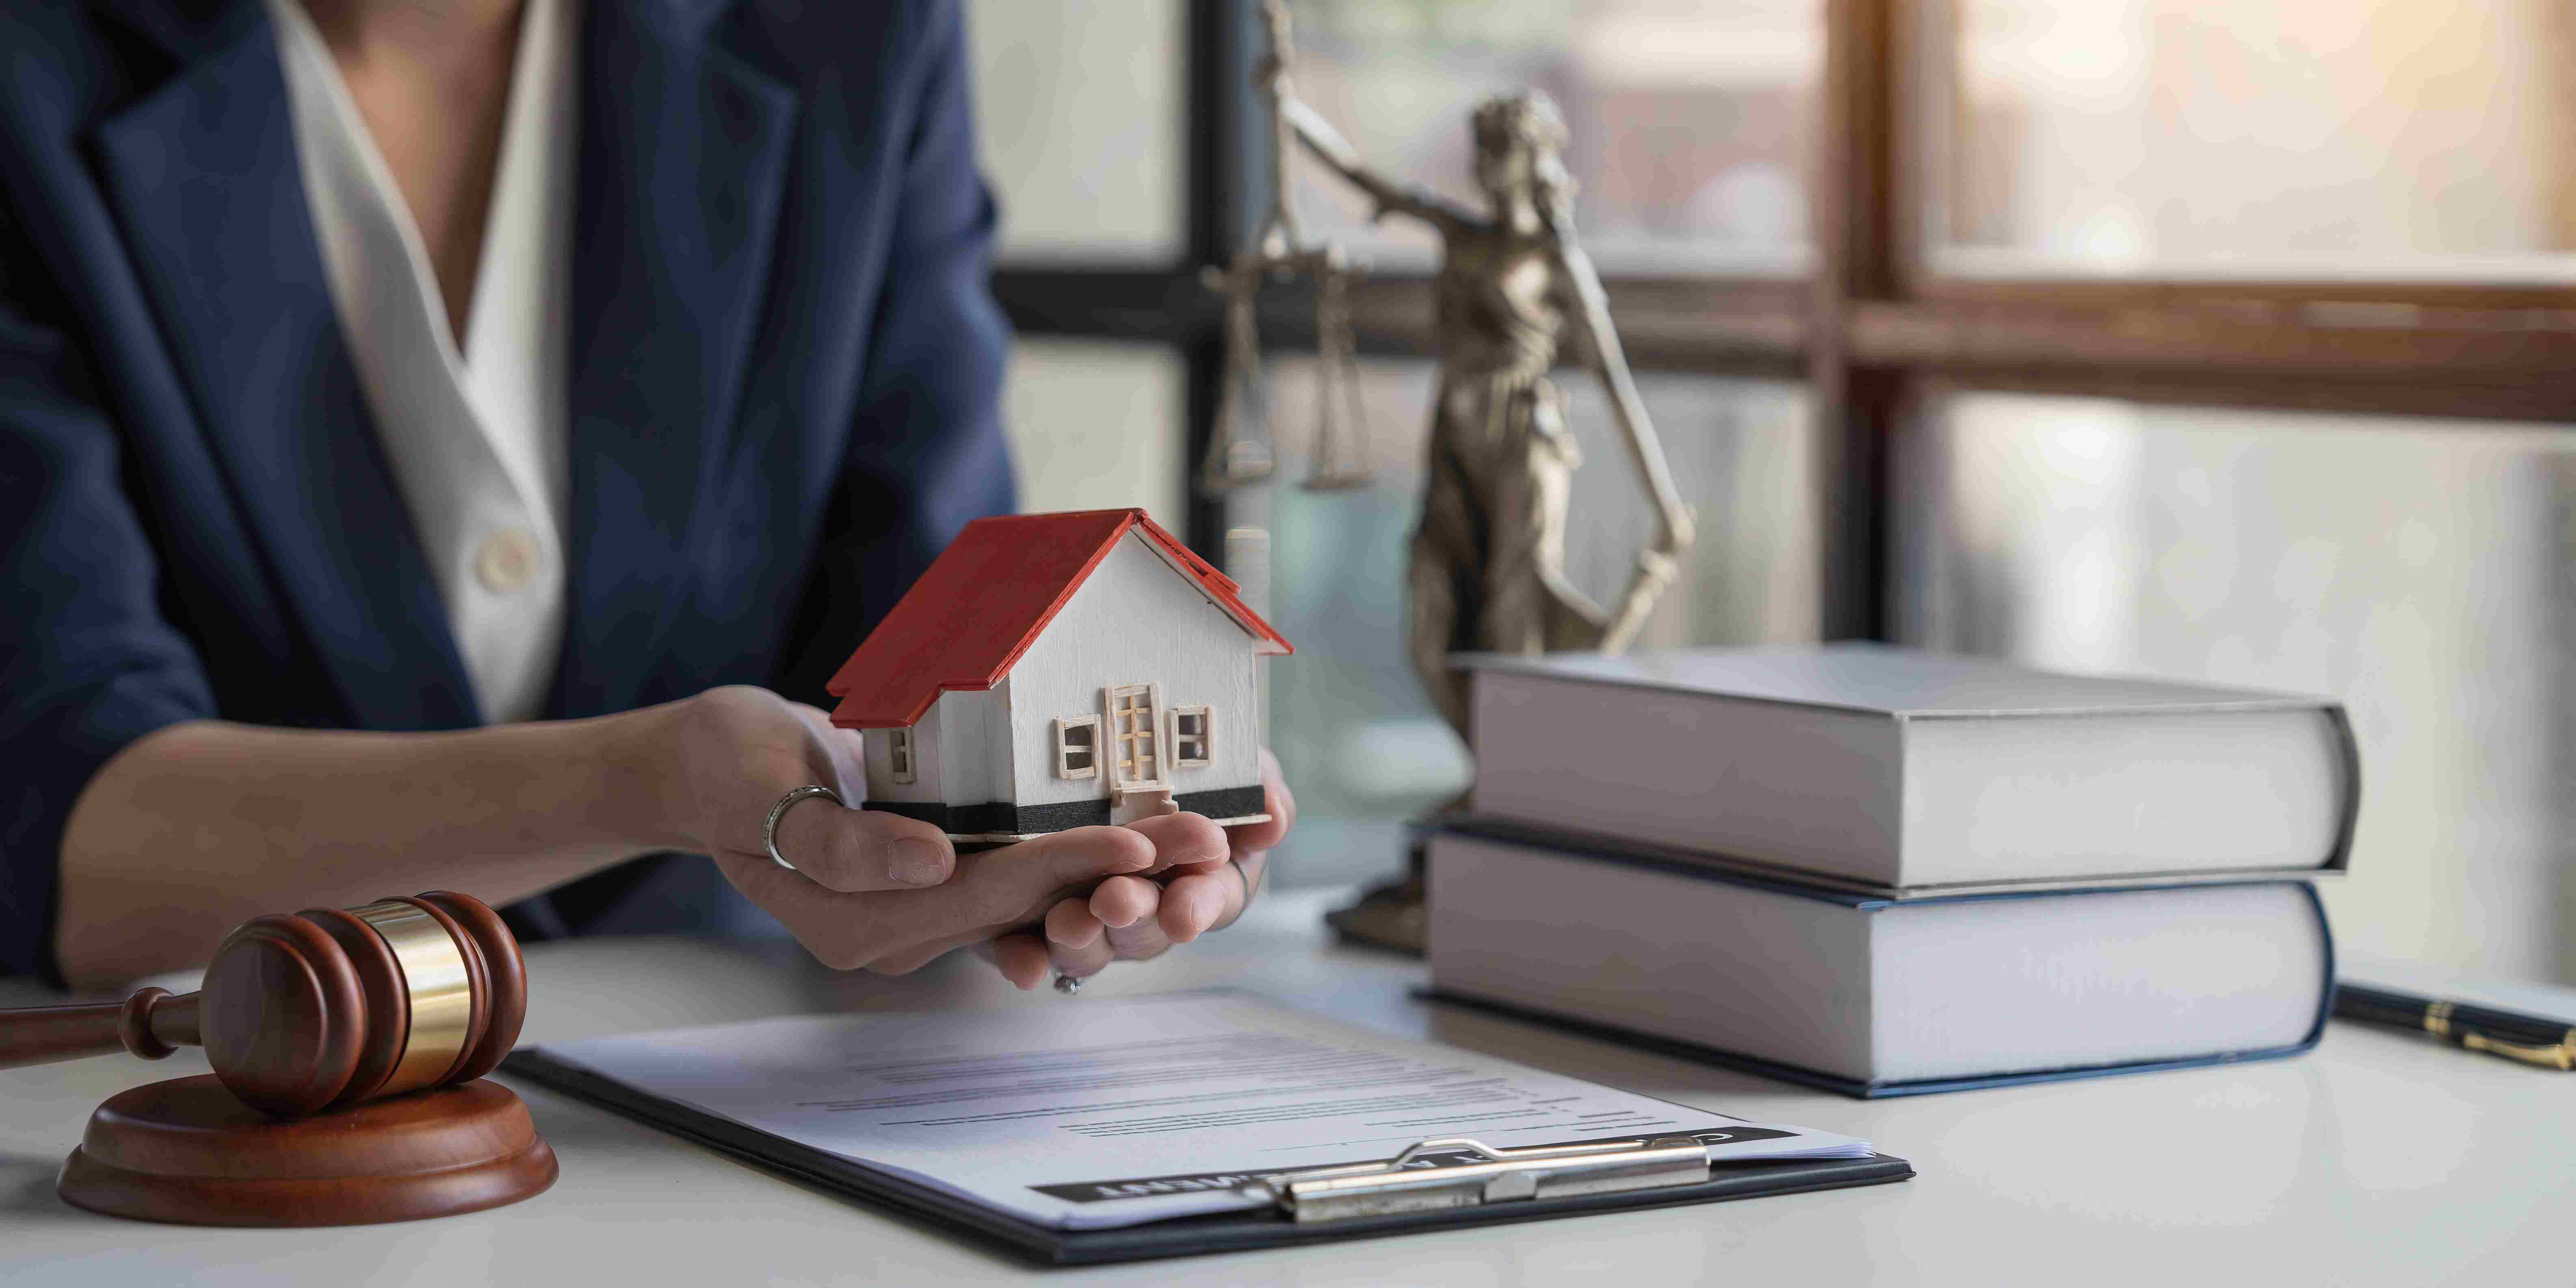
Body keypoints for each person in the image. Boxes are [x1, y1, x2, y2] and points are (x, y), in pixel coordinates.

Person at [0, 0, 1287, 992]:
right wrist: (648, 783)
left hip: (749, 1101)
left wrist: (1032, 854)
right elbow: (64, 812)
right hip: (220, 1114)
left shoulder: (854, 31)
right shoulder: (33, 65)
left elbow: (922, 652)